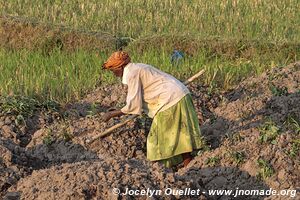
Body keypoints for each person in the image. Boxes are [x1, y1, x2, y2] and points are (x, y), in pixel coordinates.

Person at [101, 51, 205, 168]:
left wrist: (112, 114)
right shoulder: (138, 67)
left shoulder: (132, 74)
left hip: (169, 101)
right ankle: (188, 165)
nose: (113, 73)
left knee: (155, 142)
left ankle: (158, 172)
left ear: (120, 67)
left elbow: (134, 104)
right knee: (181, 134)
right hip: (181, 94)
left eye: (113, 70)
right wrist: (119, 110)